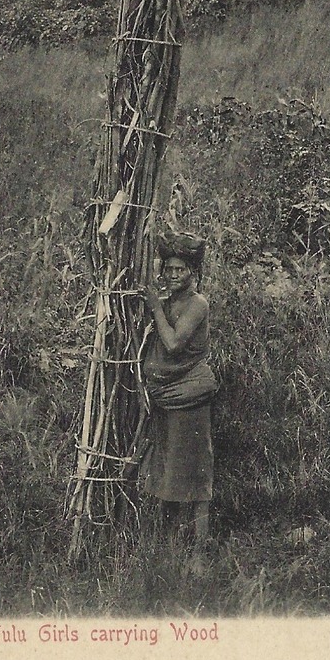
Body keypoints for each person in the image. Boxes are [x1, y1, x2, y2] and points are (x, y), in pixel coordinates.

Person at [140, 233, 217, 576]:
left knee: (198, 477)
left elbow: (172, 344)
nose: (173, 275)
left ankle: (199, 555)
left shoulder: (197, 304)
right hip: (166, 400)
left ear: (193, 272)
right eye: (169, 268)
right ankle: (171, 550)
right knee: (170, 473)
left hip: (189, 397)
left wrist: (155, 306)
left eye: (180, 270)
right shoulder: (169, 301)